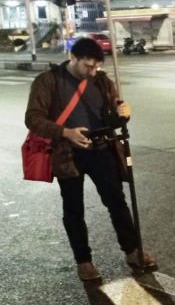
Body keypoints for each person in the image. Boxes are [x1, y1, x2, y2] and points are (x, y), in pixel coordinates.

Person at [24, 38, 156, 281]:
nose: (93, 71)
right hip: (67, 153)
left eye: (96, 66)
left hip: (102, 148)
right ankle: (84, 261)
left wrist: (123, 114)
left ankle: (132, 251)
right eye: (88, 66)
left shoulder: (102, 82)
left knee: (117, 201)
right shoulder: (49, 81)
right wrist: (65, 132)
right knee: (74, 208)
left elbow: (113, 118)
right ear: (73, 58)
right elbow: (33, 118)